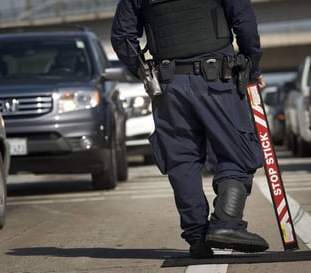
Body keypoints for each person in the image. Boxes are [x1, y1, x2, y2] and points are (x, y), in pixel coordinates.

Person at [111, 0, 269, 258]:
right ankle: (226, 223)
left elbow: (122, 37)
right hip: (219, 80)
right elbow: (245, 23)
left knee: (181, 160)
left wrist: (145, 72)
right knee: (237, 151)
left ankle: (197, 237)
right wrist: (252, 66)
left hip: (169, 85)